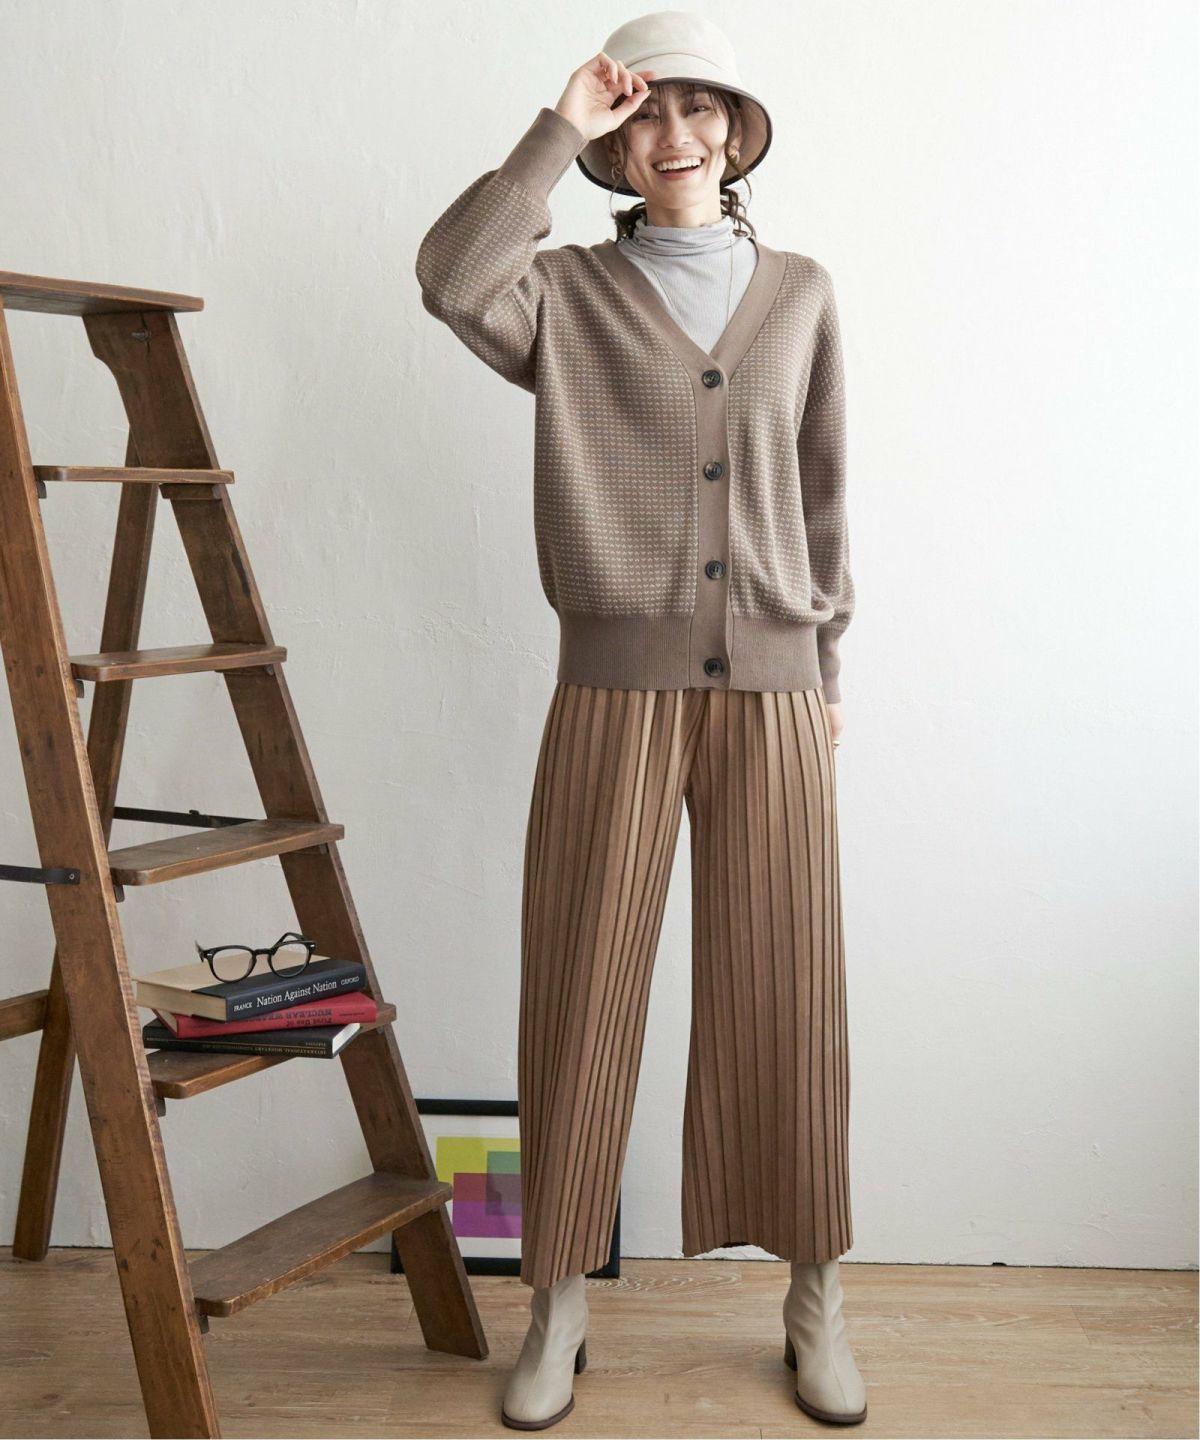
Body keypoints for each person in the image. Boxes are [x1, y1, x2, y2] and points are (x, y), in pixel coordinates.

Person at [415, 11, 865, 1431]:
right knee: (579, 992)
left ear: (735, 130)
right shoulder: (559, 294)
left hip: (778, 692)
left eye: (697, 107)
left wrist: (828, 673)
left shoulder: (801, 292)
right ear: (616, 143)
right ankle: (554, 1302)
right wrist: (557, 125)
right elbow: (447, 278)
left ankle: (815, 1298)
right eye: (643, 112)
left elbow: (825, 491)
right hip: (611, 690)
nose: (673, 133)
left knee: (789, 997)